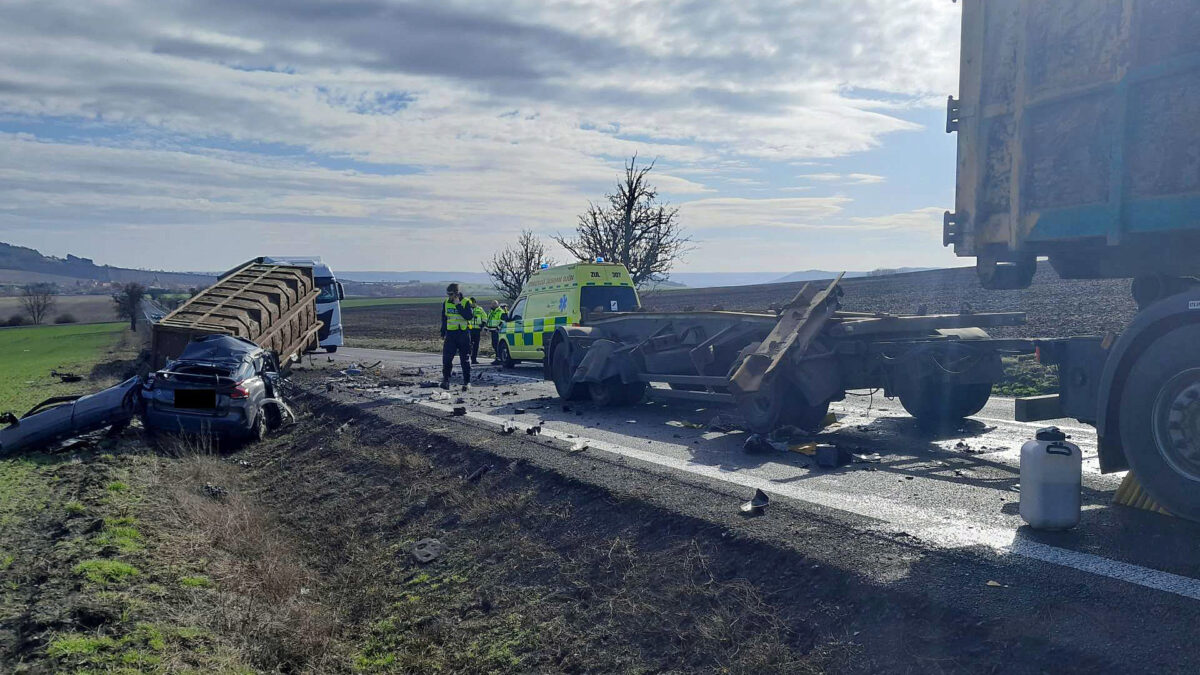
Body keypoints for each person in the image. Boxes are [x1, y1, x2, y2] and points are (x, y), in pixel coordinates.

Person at [440, 283, 474, 390]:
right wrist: (443, 330)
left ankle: (467, 382)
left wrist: (458, 305)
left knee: (464, 360)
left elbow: (469, 316)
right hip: (451, 335)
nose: (449, 296)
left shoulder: (466, 302)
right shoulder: (446, 302)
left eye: (450, 294)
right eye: (447, 294)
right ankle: (446, 381)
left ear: (456, 293)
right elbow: (444, 317)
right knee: (446, 359)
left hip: (463, 334)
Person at [468, 296, 487, 365]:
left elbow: (485, 317)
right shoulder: (467, 309)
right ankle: (468, 357)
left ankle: (474, 359)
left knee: (476, 345)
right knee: (468, 345)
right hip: (469, 329)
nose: (470, 304)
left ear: (475, 302)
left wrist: (482, 324)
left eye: (471, 303)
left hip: (477, 330)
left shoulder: (480, 309)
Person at [487, 300, 507, 365]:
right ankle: (498, 358)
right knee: (494, 344)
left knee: (497, 345)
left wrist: (498, 328)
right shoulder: (491, 311)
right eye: (492, 304)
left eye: (494, 304)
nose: (492, 305)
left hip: (498, 331)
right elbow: (489, 320)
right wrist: (486, 328)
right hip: (492, 330)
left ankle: (499, 359)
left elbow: (502, 321)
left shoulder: (500, 311)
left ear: (497, 304)